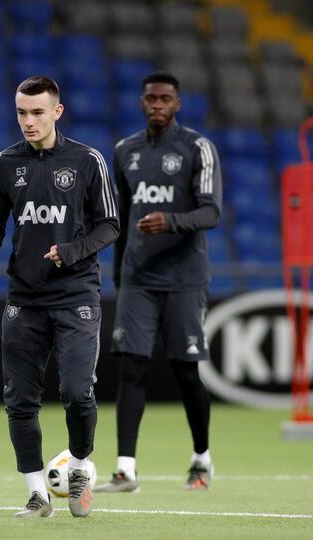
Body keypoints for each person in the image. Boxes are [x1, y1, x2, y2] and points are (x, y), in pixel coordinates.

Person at [0, 76, 119, 518]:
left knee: (77, 391)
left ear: (57, 112)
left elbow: (110, 224)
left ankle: (78, 468)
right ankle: (37, 495)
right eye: (21, 112)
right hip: (24, 296)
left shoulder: (87, 160)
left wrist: (72, 251)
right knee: (19, 400)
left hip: (76, 293)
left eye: (37, 112)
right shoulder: (3, 164)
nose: (28, 121)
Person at [95, 71, 222, 493]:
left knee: (187, 372)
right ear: (141, 101)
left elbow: (211, 212)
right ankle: (125, 469)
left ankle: (201, 459)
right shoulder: (124, 151)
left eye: (165, 98)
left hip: (185, 278)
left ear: (178, 104)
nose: (157, 105)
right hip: (137, 279)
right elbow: (120, 218)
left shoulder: (197, 148)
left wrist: (169, 221)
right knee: (131, 367)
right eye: (150, 98)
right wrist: (117, 276)